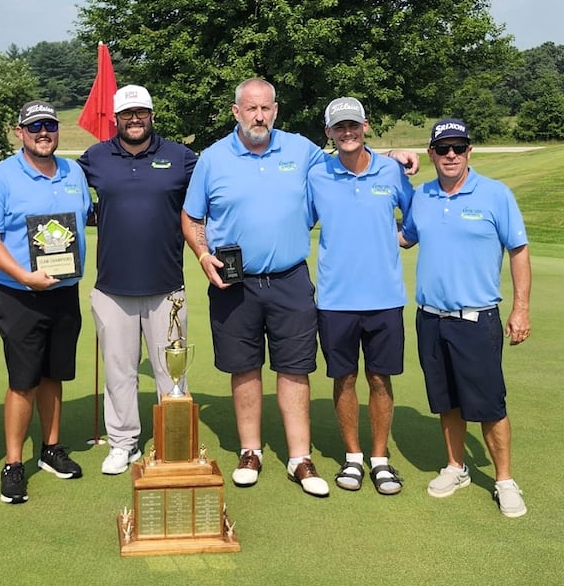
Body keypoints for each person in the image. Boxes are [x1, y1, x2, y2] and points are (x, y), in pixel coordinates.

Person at [182, 78, 418, 495]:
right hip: (234, 281)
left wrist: (391, 156)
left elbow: (349, 153)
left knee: (295, 368)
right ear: (236, 112)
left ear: (276, 110)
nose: (259, 116)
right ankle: (250, 451)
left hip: (290, 279)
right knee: (244, 368)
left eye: (266, 108)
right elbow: (192, 216)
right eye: (251, 108)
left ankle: (300, 457)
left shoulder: (301, 150)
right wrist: (203, 256)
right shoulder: (213, 158)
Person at [400, 119, 531, 517]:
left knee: (490, 404)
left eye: (458, 148)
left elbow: (519, 250)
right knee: (447, 401)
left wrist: (521, 308)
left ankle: (505, 480)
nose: (451, 155)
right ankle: (456, 467)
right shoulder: (421, 196)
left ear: (470, 151)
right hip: (431, 318)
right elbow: (404, 237)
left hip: (476, 318)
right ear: (431, 154)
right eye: (443, 149)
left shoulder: (495, 195)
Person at [77, 84, 197, 475]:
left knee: (171, 371)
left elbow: (214, 196)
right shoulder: (95, 157)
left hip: (168, 287)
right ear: (116, 118)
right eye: (127, 114)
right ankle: (123, 442)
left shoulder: (180, 156)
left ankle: (172, 441)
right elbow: (59, 192)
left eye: (141, 112)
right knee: (119, 372)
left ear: (151, 115)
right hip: (112, 287)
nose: (134, 119)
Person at [0, 101, 92, 503]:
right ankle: (13, 462)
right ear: (20, 132)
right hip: (19, 294)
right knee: (23, 381)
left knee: (53, 374)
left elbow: (82, 220)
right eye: (35, 127)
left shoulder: (73, 172)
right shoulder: (1, 177)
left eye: (50, 126)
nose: (44, 133)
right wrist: (24, 275)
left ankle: (51, 449)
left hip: (63, 291)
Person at [308, 97, 414, 494]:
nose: (347, 132)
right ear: (329, 133)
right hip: (336, 299)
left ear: (365, 126)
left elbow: (415, 214)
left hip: (385, 297)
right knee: (345, 378)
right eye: (339, 127)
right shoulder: (318, 174)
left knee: (380, 379)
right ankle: (353, 458)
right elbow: (297, 217)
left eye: (353, 125)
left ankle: (380, 458)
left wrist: (403, 237)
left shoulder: (391, 170)